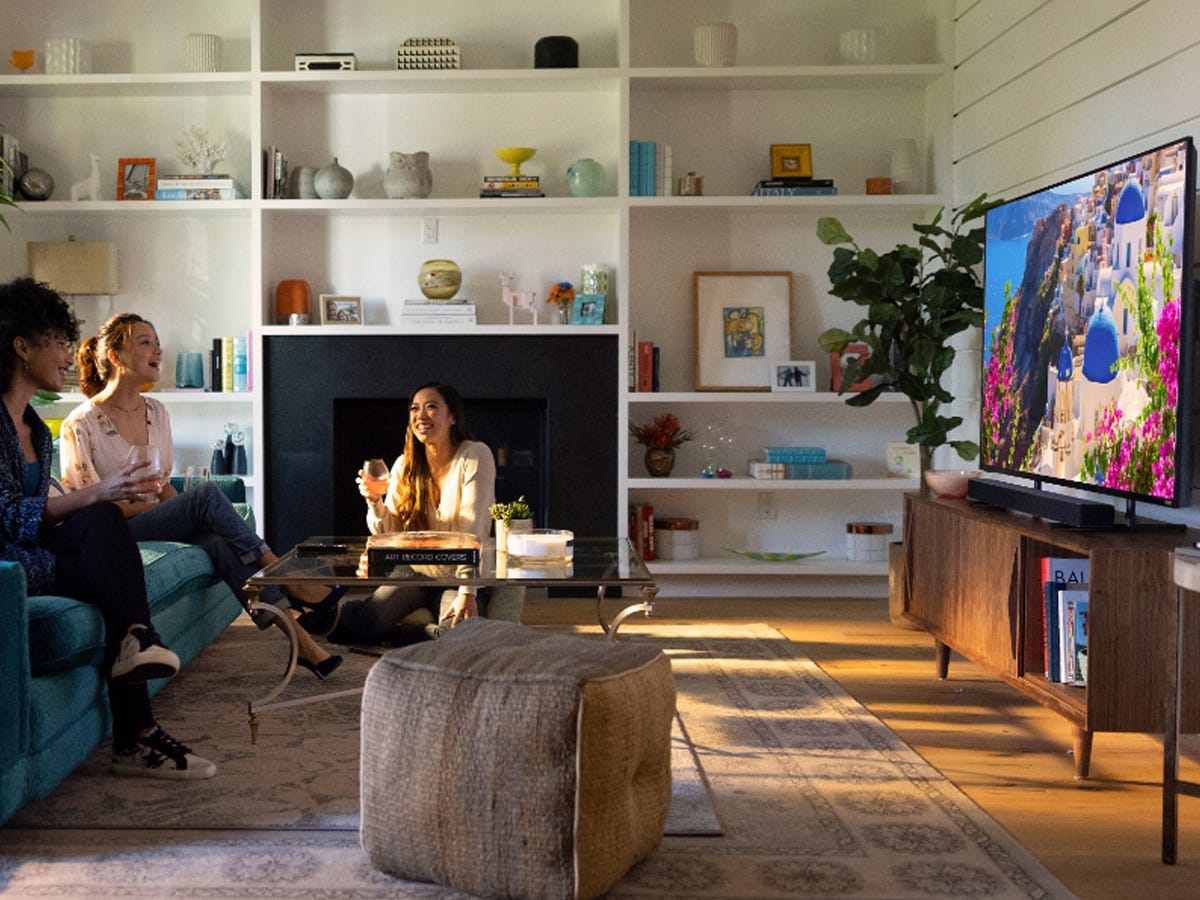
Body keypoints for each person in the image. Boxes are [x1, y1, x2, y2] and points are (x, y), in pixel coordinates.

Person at [0, 277, 215, 778]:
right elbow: (8, 518)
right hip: (10, 569)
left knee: (102, 525)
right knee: (102, 518)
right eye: (57, 341)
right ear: (21, 346)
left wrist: (99, 500)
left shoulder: (35, 426)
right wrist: (99, 490)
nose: (68, 354)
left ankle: (137, 641)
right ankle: (136, 736)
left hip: (41, 555)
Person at [58, 313, 343, 680]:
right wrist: (174, 508)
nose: (159, 350)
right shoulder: (80, 423)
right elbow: (88, 507)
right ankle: (281, 573)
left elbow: (163, 487)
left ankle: (301, 641)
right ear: (115, 356)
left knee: (218, 543)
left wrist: (179, 511)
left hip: (151, 519)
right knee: (205, 495)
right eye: (145, 342)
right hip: (110, 535)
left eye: (156, 341)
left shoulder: (156, 412)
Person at [306, 382, 498, 644]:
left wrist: (468, 591)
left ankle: (406, 635)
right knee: (365, 620)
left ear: (453, 417)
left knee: (459, 635)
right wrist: (375, 500)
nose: (421, 415)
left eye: (431, 407)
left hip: (462, 579)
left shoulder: (475, 455)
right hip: (420, 573)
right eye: (414, 409)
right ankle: (401, 628)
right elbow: (389, 534)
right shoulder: (404, 464)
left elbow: (473, 529)